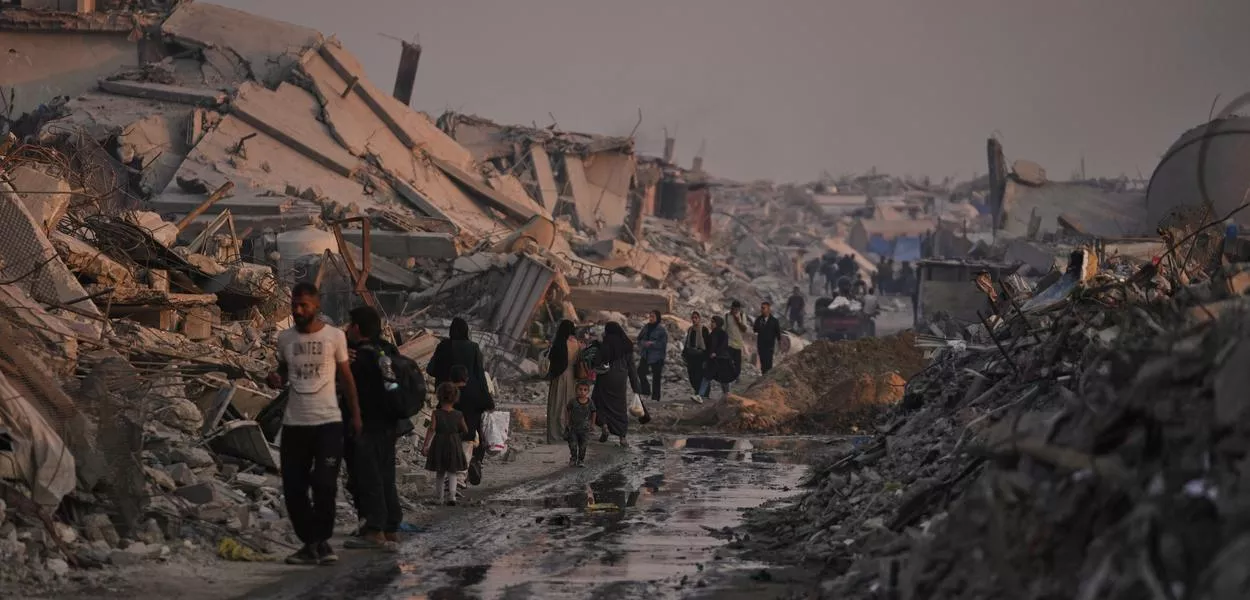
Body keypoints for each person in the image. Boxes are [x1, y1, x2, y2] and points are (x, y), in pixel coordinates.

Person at [266, 282, 359, 566]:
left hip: (328, 422)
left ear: (316, 305)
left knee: (324, 484)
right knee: (293, 487)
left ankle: (321, 541)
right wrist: (275, 378)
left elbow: (346, 378)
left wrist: (356, 415)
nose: (297, 310)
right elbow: (283, 370)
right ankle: (311, 543)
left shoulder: (335, 337)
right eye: (294, 304)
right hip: (295, 424)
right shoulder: (285, 338)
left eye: (303, 305)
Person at [342, 306, 401, 552]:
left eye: (349, 325)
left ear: (357, 328)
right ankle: (390, 528)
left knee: (368, 476)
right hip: (389, 423)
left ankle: (374, 530)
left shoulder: (358, 356)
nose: (347, 329)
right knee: (386, 475)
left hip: (366, 423)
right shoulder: (388, 350)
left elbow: (349, 387)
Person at [426, 317, 493, 483]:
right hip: (470, 397)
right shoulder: (473, 347)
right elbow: (480, 375)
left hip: (447, 396)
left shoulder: (443, 346)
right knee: (470, 433)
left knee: (446, 434)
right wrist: (487, 399)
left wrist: (444, 374)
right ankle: (470, 464)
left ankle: (448, 472)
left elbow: (430, 369)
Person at [591, 322, 640, 447]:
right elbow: (632, 368)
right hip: (620, 380)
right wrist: (636, 387)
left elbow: (596, 362)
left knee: (599, 403)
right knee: (619, 408)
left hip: (605, 378)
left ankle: (604, 425)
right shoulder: (627, 345)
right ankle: (622, 437)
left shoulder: (605, 344)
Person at [423, 383, 469, 506]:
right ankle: (452, 497)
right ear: (455, 398)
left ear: (439, 396)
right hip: (454, 443)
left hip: (439, 443)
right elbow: (465, 430)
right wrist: (457, 436)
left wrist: (426, 445)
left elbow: (431, 429)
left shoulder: (436, 413)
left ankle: (439, 498)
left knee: (440, 472)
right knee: (452, 471)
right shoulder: (459, 414)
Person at [450, 364, 493, 491]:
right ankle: (460, 479)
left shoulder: (448, 392)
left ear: (451, 378)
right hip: (469, 432)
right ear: (466, 378)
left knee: (450, 456)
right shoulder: (474, 392)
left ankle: (449, 479)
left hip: (450, 432)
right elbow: (489, 404)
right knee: (465, 455)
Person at [543, 320, 580, 444]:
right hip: (572, 377)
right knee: (568, 405)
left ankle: (555, 435)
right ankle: (568, 433)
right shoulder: (576, 344)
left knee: (556, 405)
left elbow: (552, 359)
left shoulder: (559, 343)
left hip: (559, 377)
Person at [698, 316, 733, 400]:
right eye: (711, 321)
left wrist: (716, 353)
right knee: (706, 377)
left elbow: (723, 346)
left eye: (713, 322)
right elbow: (708, 347)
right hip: (712, 360)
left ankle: (728, 396)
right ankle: (700, 395)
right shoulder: (711, 334)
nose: (711, 323)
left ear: (718, 323)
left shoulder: (723, 334)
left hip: (721, 359)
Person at [636, 310, 668, 404]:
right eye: (650, 316)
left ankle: (656, 397)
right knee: (640, 371)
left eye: (653, 316)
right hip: (646, 354)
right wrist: (643, 343)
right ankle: (646, 390)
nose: (651, 318)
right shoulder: (646, 327)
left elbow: (663, 344)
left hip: (657, 356)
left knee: (656, 377)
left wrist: (652, 344)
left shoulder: (661, 330)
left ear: (657, 318)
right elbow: (639, 339)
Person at [565, 381, 596, 467]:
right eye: (580, 389)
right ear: (576, 390)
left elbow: (594, 412)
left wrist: (592, 424)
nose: (582, 392)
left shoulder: (590, 402)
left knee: (583, 446)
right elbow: (568, 410)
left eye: (585, 390)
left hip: (585, 429)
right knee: (573, 445)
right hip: (573, 428)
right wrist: (567, 422)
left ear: (588, 391)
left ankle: (581, 460)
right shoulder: (573, 401)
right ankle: (573, 458)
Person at [682, 312, 709, 404]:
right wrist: (684, 354)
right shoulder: (690, 330)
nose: (694, 320)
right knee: (692, 376)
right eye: (693, 318)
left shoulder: (704, 329)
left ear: (699, 319)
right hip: (691, 356)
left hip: (700, 356)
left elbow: (707, 344)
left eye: (696, 318)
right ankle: (698, 392)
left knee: (700, 376)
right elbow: (687, 342)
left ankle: (702, 394)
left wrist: (706, 357)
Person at [753, 301, 783, 375]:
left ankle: (768, 377)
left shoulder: (774, 321)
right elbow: (755, 329)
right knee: (763, 363)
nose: (762, 310)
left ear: (768, 309)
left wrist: (780, 345)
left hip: (769, 346)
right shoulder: (759, 319)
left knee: (768, 363)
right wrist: (760, 326)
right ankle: (764, 376)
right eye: (761, 308)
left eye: (763, 308)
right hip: (761, 345)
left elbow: (778, 334)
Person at [725, 301, 747, 383]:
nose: (735, 311)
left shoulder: (741, 315)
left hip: (738, 344)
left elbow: (744, 329)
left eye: (737, 309)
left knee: (737, 363)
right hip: (729, 343)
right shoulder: (727, 316)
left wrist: (738, 321)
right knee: (728, 361)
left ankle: (737, 377)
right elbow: (724, 329)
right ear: (731, 308)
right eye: (734, 309)